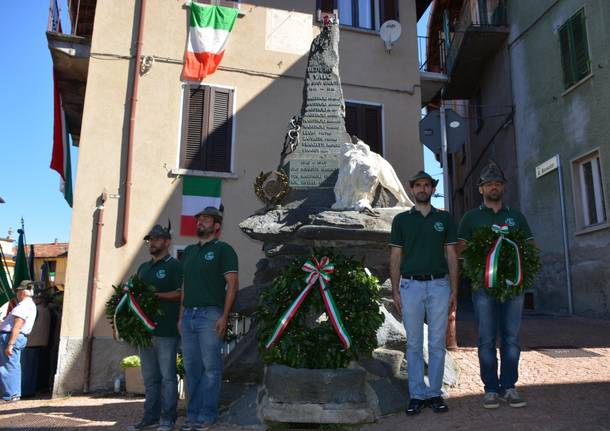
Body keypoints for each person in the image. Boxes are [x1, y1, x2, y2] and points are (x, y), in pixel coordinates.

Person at [457, 161, 534, 409]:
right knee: (487, 339)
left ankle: (509, 387)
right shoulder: (471, 218)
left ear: (503, 187)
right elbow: (459, 249)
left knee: (511, 338)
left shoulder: (516, 216)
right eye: (489, 184)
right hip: (484, 286)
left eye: (497, 184)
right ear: (481, 189)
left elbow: (531, 248)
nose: (493, 187)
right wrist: (483, 247)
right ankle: (490, 389)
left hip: (514, 286)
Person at [389, 171, 459, 415]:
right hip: (410, 287)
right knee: (414, 344)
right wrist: (395, 290)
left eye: (427, 185)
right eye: (418, 185)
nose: (422, 189)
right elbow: (395, 257)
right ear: (411, 189)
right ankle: (417, 394)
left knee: (437, 344)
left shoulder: (445, 219)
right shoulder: (401, 220)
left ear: (432, 189)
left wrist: (454, 290)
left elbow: (452, 255)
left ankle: (435, 394)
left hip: (439, 286)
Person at [179, 206, 238, 430]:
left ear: (216, 226)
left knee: (211, 368)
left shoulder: (224, 250)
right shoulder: (189, 252)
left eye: (206, 219)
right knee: (191, 369)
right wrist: (180, 316)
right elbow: (185, 286)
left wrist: (224, 316)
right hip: (188, 316)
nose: (200, 222)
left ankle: (208, 415)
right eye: (199, 219)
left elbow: (232, 284)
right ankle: (192, 416)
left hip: (210, 315)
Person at [128, 224, 183, 431]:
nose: (152, 242)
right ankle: (150, 417)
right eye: (150, 239)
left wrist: (157, 296)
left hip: (166, 330)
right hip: (144, 331)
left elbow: (181, 293)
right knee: (150, 378)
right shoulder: (143, 267)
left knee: (168, 377)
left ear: (167, 242)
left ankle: (168, 418)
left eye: (157, 239)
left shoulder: (175, 266)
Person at [0, 280, 38, 402]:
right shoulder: (29, 305)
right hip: (15, 337)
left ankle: (10, 395)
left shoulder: (24, 305)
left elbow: (17, 325)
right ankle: (12, 394)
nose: (16, 293)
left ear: (23, 292)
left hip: (11, 337)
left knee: (8, 366)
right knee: (11, 365)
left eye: (18, 291)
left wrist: (10, 344)